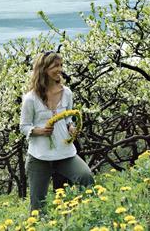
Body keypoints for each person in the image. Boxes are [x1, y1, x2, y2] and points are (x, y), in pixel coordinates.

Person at [20, 51, 93, 212]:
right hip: (39, 156)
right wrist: (40, 131)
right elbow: (24, 126)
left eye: (61, 65)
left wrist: (71, 127)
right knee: (38, 205)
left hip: (64, 152)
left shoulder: (67, 93)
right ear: (44, 69)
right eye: (55, 66)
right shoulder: (31, 98)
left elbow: (67, 118)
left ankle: (85, 213)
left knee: (85, 177)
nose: (60, 69)